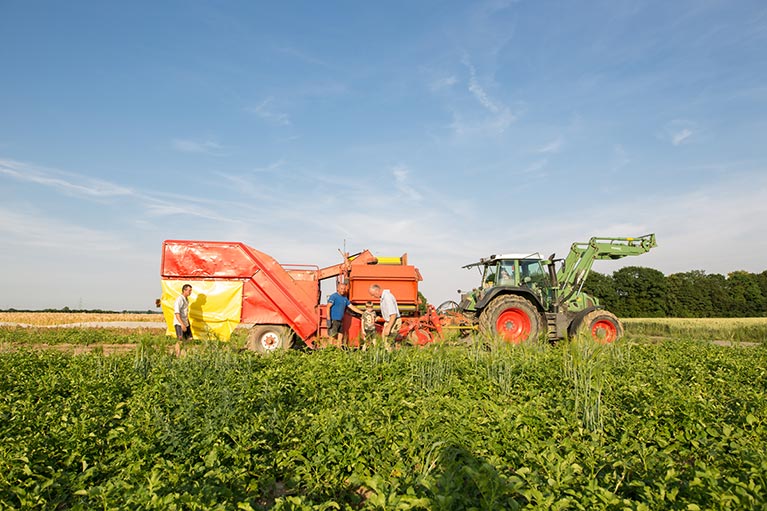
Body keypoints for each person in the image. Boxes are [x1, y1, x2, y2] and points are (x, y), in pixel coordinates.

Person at [174, 284, 193, 355]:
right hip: (179, 323)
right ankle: (177, 355)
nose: (190, 292)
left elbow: (185, 313)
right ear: (184, 290)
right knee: (180, 340)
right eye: (189, 290)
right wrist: (182, 324)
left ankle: (184, 353)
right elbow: (177, 312)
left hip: (186, 323)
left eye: (191, 290)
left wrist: (187, 323)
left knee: (190, 338)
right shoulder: (179, 299)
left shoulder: (186, 300)